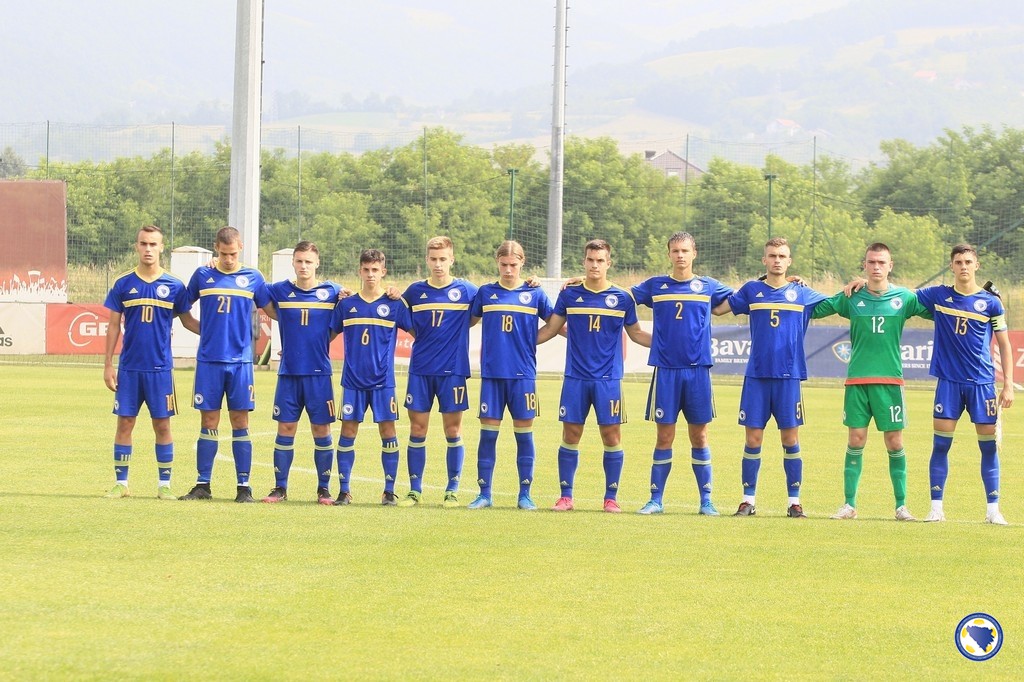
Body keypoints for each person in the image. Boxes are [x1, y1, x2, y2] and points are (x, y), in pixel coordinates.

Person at [812, 243, 929, 521]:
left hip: (890, 381)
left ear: (890, 266)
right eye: (871, 262)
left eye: (881, 262)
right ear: (864, 265)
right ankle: (849, 505)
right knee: (856, 439)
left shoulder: (905, 298)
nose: (876, 267)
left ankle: (901, 506)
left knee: (895, 442)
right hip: (857, 380)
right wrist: (796, 286)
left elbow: (940, 310)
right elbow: (815, 309)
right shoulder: (851, 297)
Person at [713, 237, 827, 518]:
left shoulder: (802, 293)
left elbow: (837, 303)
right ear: (764, 260)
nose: (777, 260)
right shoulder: (752, 290)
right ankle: (747, 500)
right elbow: (718, 308)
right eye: (772, 255)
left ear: (789, 261)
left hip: (789, 377)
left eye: (782, 256)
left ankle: (794, 502)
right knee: (753, 439)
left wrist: (856, 285)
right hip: (757, 376)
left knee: (790, 438)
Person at [537, 239, 650, 512]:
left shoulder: (622, 298)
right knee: (571, 433)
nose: (595, 265)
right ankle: (566, 496)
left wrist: (668, 345)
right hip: (575, 377)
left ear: (608, 263)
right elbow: (551, 329)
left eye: (600, 260)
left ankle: (611, 498)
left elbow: (636, 334)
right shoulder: (569, 295)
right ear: (584, 261)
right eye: (590, 260)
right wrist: (519, 344)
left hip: (608, 380)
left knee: (611, 436)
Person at [629, 232, 732, 515]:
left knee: (699, 436)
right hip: (666, 372)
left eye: (685, 251)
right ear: (669, 254)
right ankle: (656, 500)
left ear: (694, 253)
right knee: (664, 437)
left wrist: (787, 281)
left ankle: (706, 501)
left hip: (698, 372)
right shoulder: (655, 285)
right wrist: (583, 280)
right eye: (675, 251)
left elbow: (743, 298)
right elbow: (620, 296)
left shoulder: (708, 286)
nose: (680, 256)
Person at [914, 244, 1014, 524]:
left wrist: (1008, 384)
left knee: (989, 447)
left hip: (982, 384)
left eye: (968, 262)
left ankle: (993, 511)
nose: (963, 266)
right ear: (952, 266)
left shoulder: (991, 303)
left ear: (976, 265)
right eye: (958, 262)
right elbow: (899, 295)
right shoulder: (938, 295)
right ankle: (936, 508)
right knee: (941, 445)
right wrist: (866, 283)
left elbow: (1004, 345)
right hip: (949, 383)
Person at [102, 225, 199, 499]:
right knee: (124, 423)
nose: (148, 249)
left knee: (163, 425)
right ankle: (121, 483)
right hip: (129, 368)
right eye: (143, 243)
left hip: (160, 370)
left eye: (153, 244)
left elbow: (189, 321)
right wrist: (108, 365)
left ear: (161, 248)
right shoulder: (123, 283)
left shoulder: (174, 285)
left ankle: (164, 485)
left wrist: (216, 334)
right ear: (137, 246)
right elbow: (113, 326)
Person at [180, 226, 271, 503]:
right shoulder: (203, 275)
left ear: (240, 247)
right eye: (223, 254)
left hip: (241, 363)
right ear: (216, 248)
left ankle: (244, 487)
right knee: (208, 421)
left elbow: (274, 310)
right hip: (209, 362)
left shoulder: (253, 277)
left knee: (240, 421)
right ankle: (202, 485)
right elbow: (182, 309)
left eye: (233, 253)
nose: (229, 259)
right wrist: (204, 331)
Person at [467, 241, 553, 510]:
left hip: (523, 375)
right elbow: (467, 321)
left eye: (513, 265)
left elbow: (556, 324)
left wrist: (530, 340)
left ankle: (525, 495)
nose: (508, 270)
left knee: (524, 436)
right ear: (497, 262)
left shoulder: (535, 293)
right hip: (492, 375)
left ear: (522, 263)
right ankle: (484, 494)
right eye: (503, 264)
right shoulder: (485, 293)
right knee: (488, 436)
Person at [397, 236, 479, 508]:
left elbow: (488, 303)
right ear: (426, 260)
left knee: (452, 430)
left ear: (452, 259)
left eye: (443, 259)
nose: (438, 264)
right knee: (417, 428)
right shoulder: (414, 291)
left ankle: (452, 490)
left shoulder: (467, 290)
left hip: (453, 371)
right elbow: (400, 315)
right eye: (433, 259)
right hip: (421, 370)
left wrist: (531, 282)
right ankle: (414, 490)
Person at [260, 241, 341, 506]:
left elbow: (351, 308)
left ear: (317, 263)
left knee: (321, 429)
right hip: (289, 373)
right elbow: (254, 288)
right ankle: (280, 488)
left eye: (308, 261)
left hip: (319, 374)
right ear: (293, 263)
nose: (304, 266)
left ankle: (324, 489)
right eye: (299, 261)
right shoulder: (280, 290)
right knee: (285, 427)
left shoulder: (333, 292)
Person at [331, 249, 412, 506]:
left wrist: (402, 295)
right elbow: (326, 336)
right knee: (348, 431)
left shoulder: (394, 304)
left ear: (383, 272)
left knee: (388, 431)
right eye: (366, 269)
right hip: (352, 382)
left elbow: (419, 333)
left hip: (383, 382)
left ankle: (389, 491)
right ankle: (344, 491)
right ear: (359, 271)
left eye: (375, 270)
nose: (370, 274)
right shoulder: (346, 305)